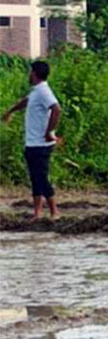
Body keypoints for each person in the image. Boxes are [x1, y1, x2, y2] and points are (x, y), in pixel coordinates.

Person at [1, 61, 62, 221]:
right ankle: (37, 213)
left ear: (34, 73)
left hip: (41, 144)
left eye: (30, 72)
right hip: (32, 143)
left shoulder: (44, 91)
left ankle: (54, 211)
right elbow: (25, 101)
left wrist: (49, 132)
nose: (29, 75)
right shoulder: (36, 91)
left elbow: (57, 109)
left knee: (41, 177)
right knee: (35, 177)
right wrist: (10, 111)